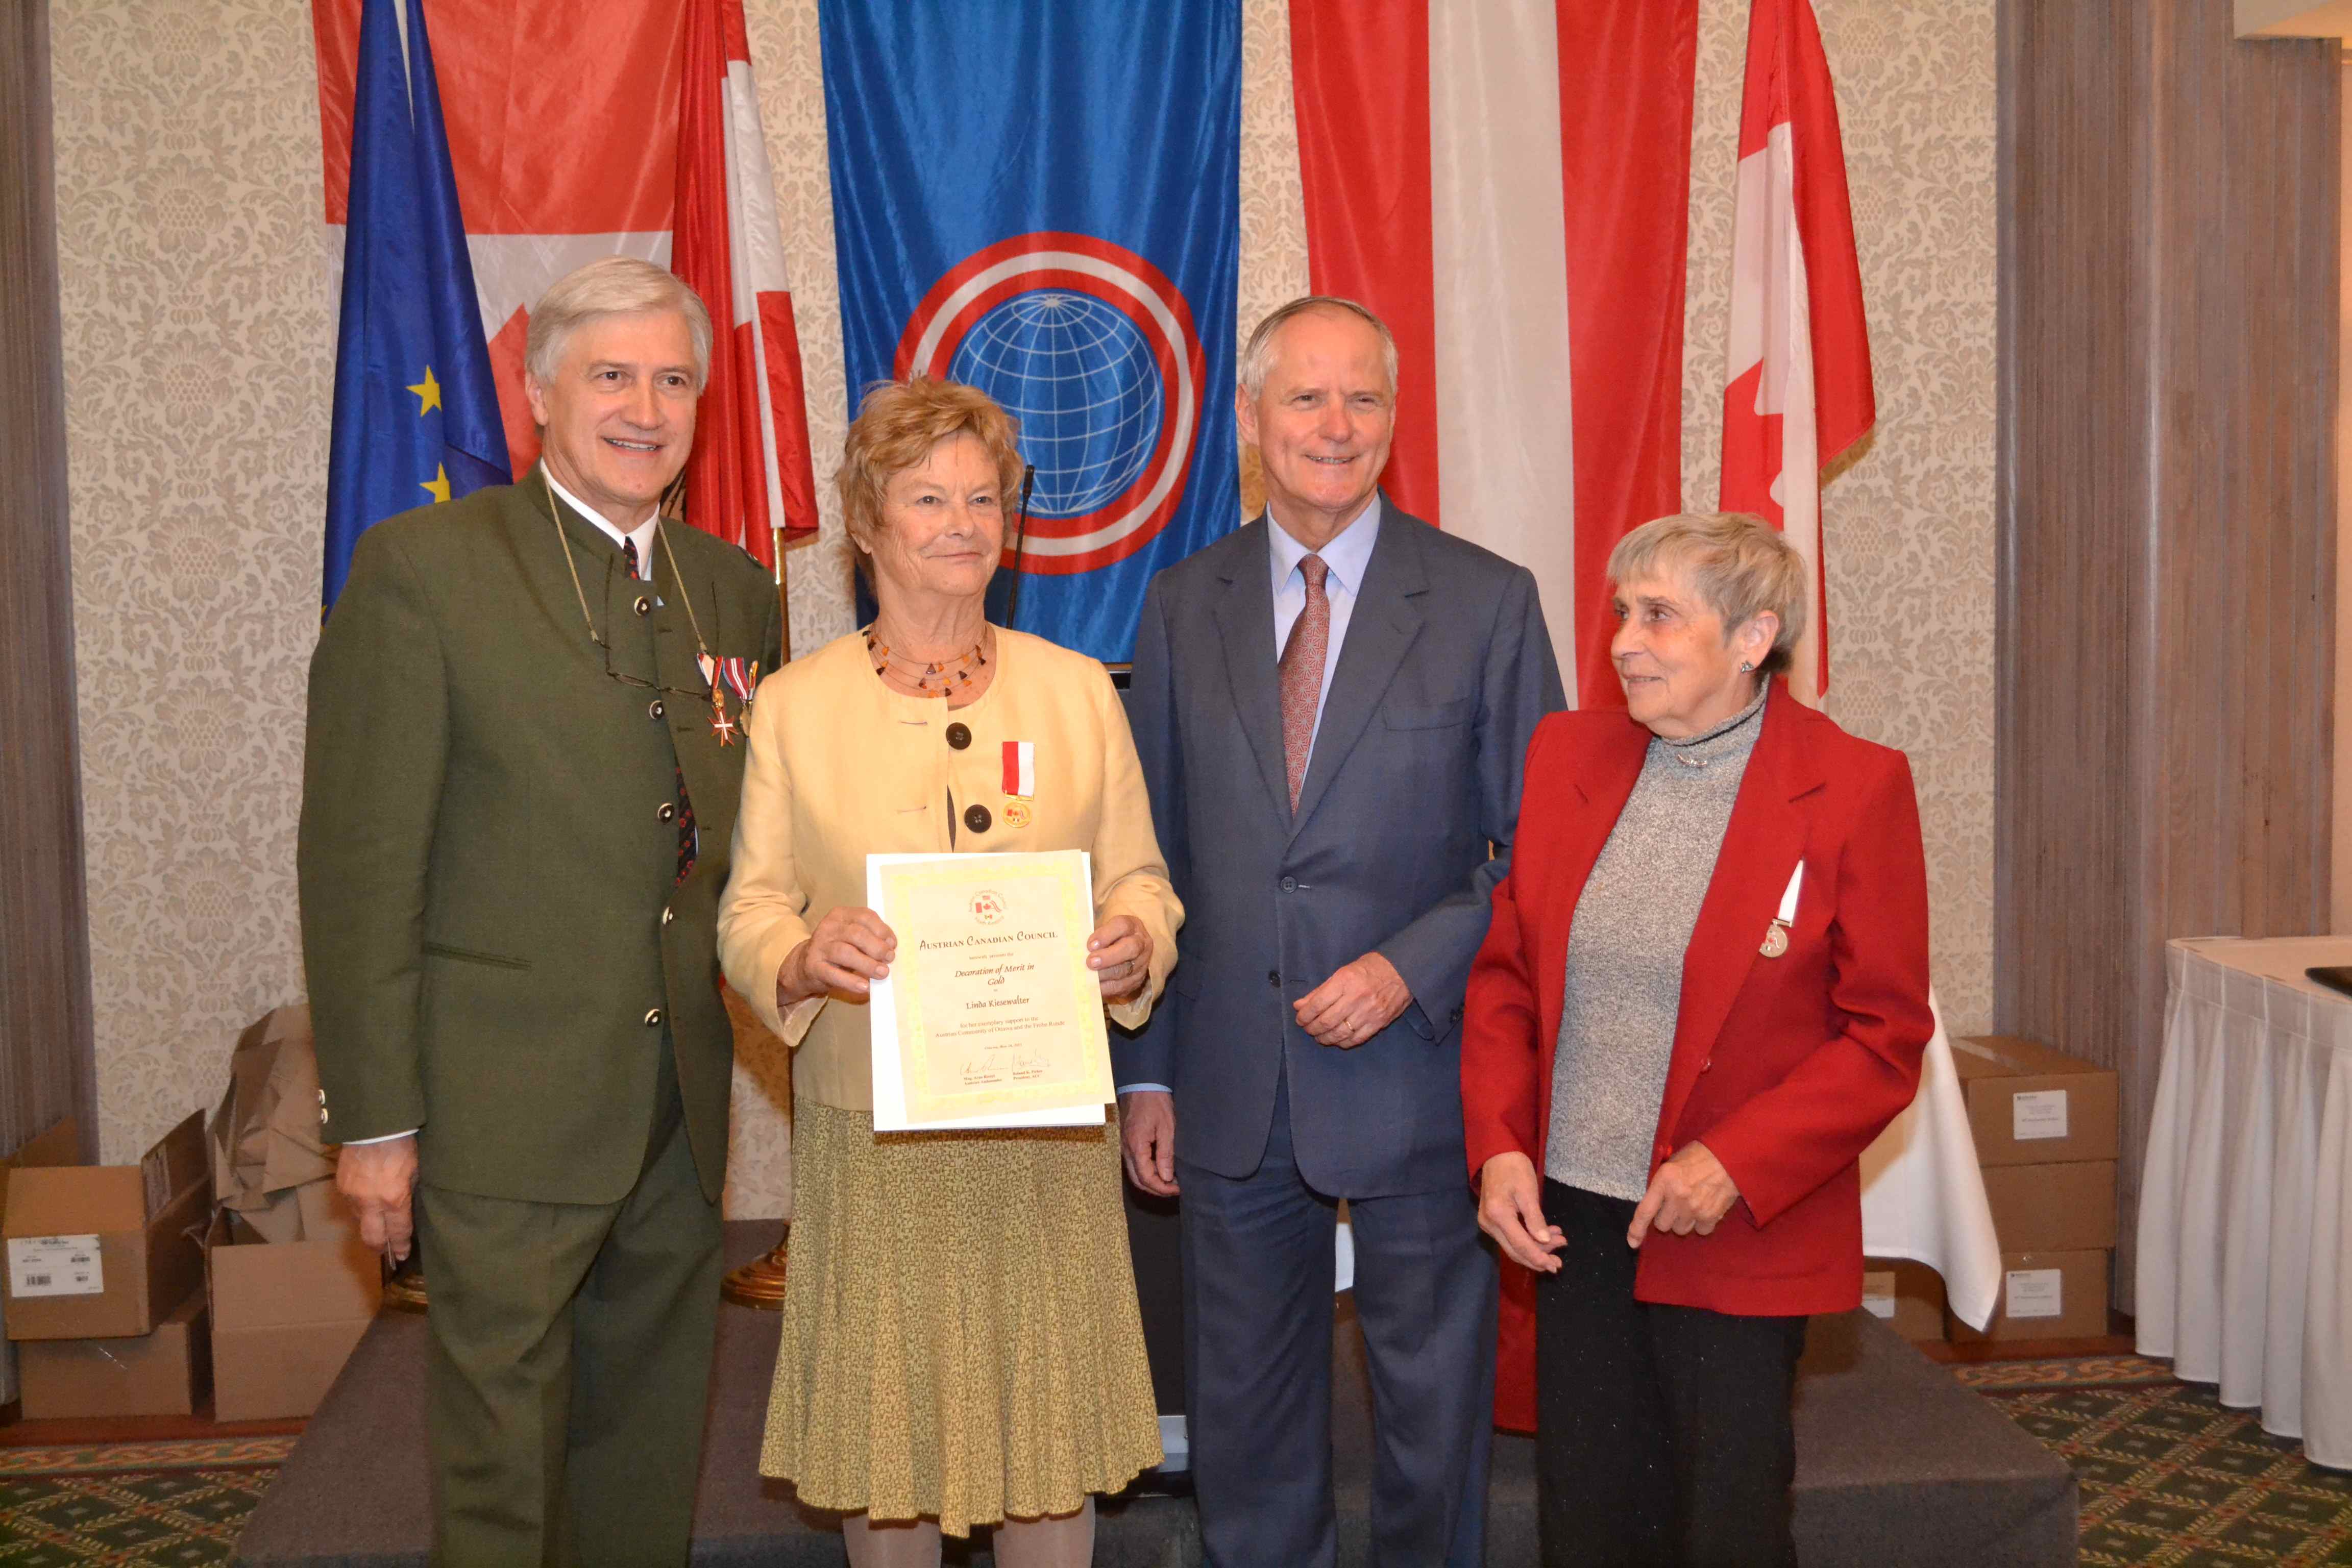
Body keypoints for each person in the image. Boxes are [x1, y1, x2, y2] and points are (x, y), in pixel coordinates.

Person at [299, 257, 781, 1564]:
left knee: (646, 1443)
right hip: (500, 1107)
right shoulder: (424, 573)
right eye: (610, 375)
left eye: (673, 378)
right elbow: (358, 870)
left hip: (678, 1103)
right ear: (537, 394)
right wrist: (377, 1123)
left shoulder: (735, 592)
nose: (646, 406)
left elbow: (764, 849)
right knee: (503, 1469)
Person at [1120, 296, 1564, 1567]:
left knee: (1432, 1417)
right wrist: (1143, 1068)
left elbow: (1539, 852)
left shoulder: (1485, 602)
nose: (1337, 424)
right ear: (1253, 423)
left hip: (1420, 1069)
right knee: (1248, 1419)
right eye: (1306, 398)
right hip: (1231, 1075)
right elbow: (1151, 853)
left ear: (1394, 418)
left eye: (1363, 397)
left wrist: (1408, 964)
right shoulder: (1179, 604)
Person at [715, 376, 1179, 1568]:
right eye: (929, 498)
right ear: (868, 524)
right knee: (893, 1461)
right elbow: (751, 909)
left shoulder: (1078, 691)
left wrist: (1135, 939)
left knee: (1046, 1447)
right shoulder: (795, 705)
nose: (965, 522)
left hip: (1044, 1134)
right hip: (878, 1135)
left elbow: (1142, 878)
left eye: (987, 497)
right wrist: (803, 956)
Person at [1461, 511, 1934, 1567]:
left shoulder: (1854, 789)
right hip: (1572, 1228)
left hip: (1734, 1227)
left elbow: (1884, 1036)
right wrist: (1497, 1146)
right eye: (1623, 612)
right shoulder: (1566, 754)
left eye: (1661, 617)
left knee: (1725, 1524)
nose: (1624, 639)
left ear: (1754, 636)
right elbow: (1505, 981)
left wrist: (1735, 1161)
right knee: (1588, 1519)